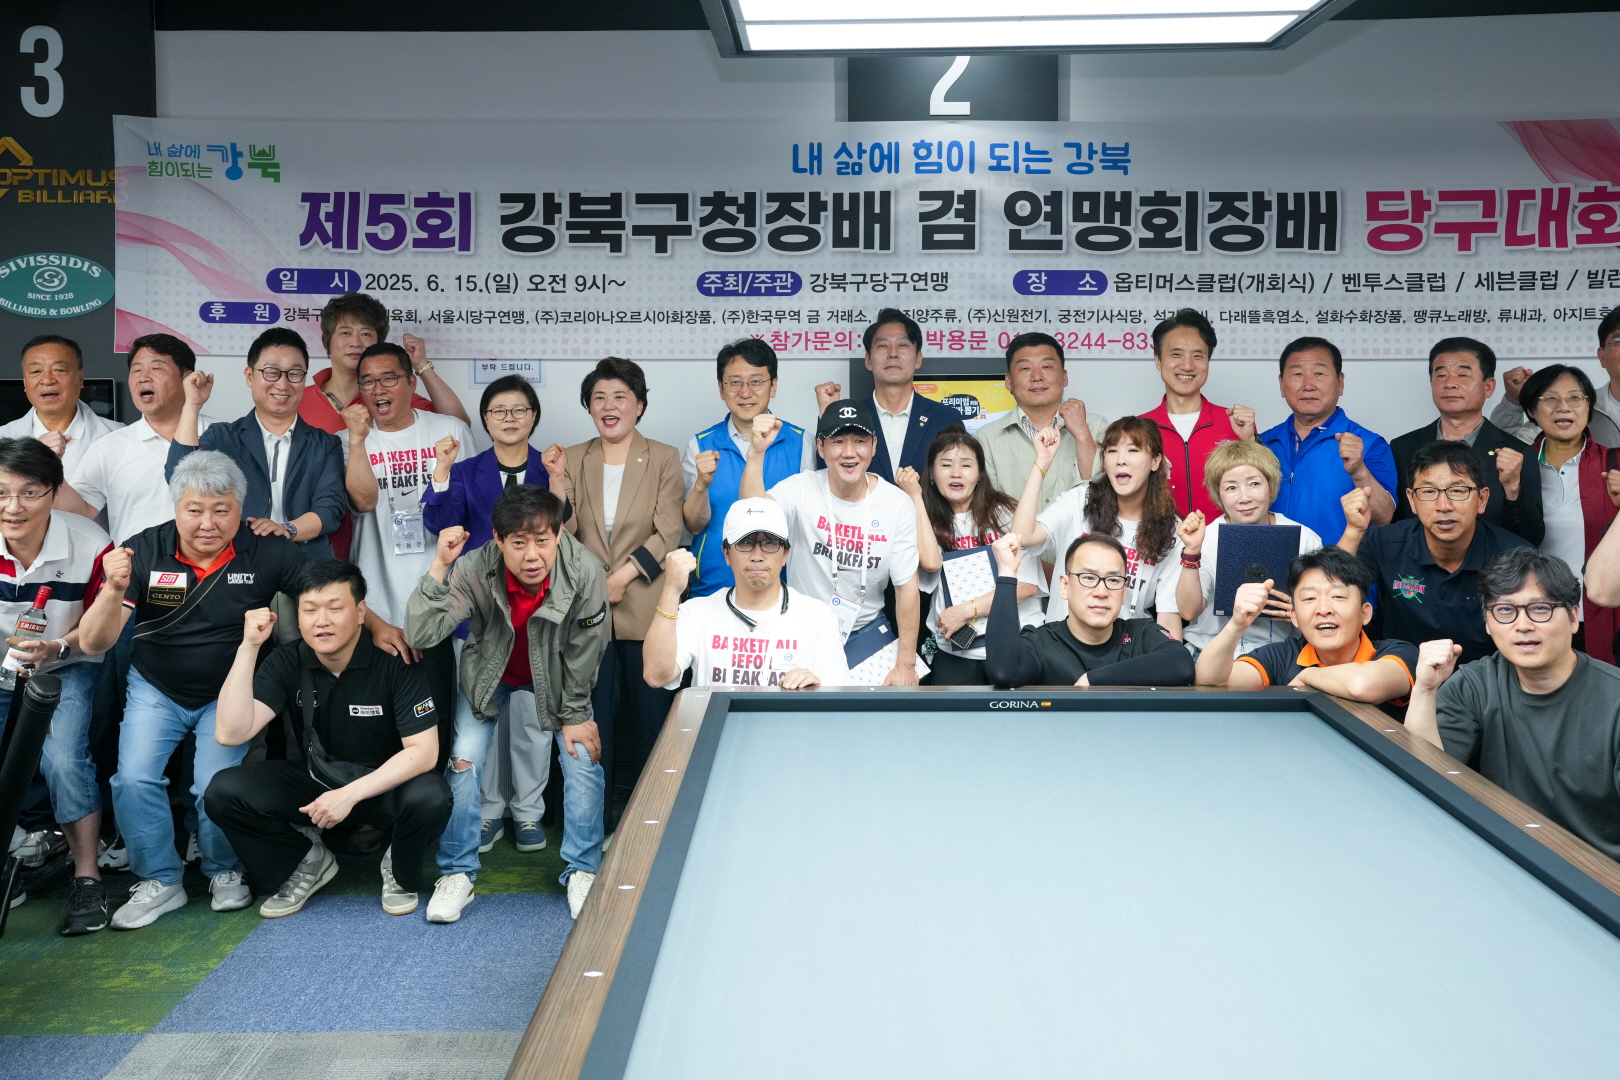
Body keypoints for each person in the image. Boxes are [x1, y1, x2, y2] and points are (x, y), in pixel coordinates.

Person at [78, 452, 412, 929]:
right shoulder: (143, 550)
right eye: (195, 510)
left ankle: (224, 870)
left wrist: (375, 626)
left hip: (231, 692)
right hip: (156, 687)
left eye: (222, 510)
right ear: (176, 507)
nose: (208, 523)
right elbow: (95, 643)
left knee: (212, 784)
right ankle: (161, 880)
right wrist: (113, 590)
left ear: (241, 509)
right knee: (132, 779)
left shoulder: (265, 549)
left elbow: (324, 589)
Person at [404, 485, 608, 922]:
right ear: (497, 539)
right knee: (463, 759)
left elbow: (586, 648)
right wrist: (439, 565)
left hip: (559, 678)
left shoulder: (586, 571)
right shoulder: (473, 567)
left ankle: (583, 869)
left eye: (542, 540)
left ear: (558, 534)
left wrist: (574, 714)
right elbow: (422, 634)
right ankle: (457, 873)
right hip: (490, 673)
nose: (532, 555)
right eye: (518, 543)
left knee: (582, 758)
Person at [204, 561, 449, 920]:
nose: (321, 621)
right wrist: (249, 647)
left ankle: (398, 868)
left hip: (386, 786)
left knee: (432, 795)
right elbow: (230, 733)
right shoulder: (287, 660)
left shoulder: (394, 660)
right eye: (310, 610)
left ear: (361, 613)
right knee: (223, 791)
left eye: (335, 608)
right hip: (317, 781)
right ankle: (306, 861)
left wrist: (348, 795)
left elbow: (425, 752)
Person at [1407, 548, 1620, 862]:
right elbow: (1424, 783)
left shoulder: (1614, 699)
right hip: (1504, 859)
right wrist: (1425, 690)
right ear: (1488, 623)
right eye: (1505, 610)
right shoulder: (1473, 685)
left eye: (1540, 609)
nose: (1523, 625)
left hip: (1600, 874)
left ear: (1573, 618)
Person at [554, 357, 683, 819]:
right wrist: (555, 479)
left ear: (639, 405)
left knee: (651, 721)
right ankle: (595, 819)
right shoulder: (572, 457)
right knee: (594, 721)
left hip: (645, 606)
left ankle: (654, 817)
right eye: (599, 398)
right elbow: (562, 530)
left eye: (620, 397)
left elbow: (668, 532)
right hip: (587, 610)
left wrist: (620, 578)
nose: (609, 406)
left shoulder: (664, 457)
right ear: (589, 406)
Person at [0, 438, 115, 935]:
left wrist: (56, 648)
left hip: (66, 663)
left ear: (53, 492)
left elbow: (101, 631)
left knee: (65, 760)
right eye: (1, 493)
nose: (13, 507)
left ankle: (87, 877)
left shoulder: (90, 543)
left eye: (29, 493)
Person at [341, 343, 473, 750]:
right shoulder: (346, 440)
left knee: (441, 721)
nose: (378, 388)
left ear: (411, 382)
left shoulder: (448, 431)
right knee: (381, 727)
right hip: (378, 605)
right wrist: (358, 440)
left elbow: (472, 509)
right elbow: (362, 502)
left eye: (389, 378)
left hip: (442, 605)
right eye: (367, 381)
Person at [741, 400, 922, 685]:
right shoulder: (801, 488)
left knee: (874, 713)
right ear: (821, 447)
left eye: (859, 441)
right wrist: (756, 453)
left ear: (874, 446)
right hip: (800, 630)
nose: (849, 452)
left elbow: (906, 588)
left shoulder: (896, 504)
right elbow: (753, 516)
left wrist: (905, 664)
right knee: (801, 711)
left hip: (867, 634)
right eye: (838, 441)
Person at [1337, 440, 1532, 665]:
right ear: (1412, 500)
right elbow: (1329, 591)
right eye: (1429, 491)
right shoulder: (1384, 542)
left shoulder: (1516, 558)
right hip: (1399, 675)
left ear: (1482, 499)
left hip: (1486, 680)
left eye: (1457, 491)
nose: (1443, 506)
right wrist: (1353, 531)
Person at [167, 327, 346, 559]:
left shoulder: (325, 445)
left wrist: (286, 529)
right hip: (237, 562)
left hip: (306, 564)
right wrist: (192, 405)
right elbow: (178, 477)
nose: (282, 384)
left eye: (294, 374)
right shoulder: (224, 437)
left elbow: (330, 510)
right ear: (250, 376)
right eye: (271, 372)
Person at [643, 498, 850, 691]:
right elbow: (656, 675)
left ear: (785, 554)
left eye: (769, 543)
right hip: (716, 719)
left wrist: (816, 686)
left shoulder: (817, 617)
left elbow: (838, 699)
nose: (757, 556)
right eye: (745, 543)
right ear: (726, 554)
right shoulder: (699, 612)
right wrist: (671, 591)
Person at [1194, 546, 1417, 718]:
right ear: (1294, 616)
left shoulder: (1399, 653)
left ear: (1365, 613)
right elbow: (1210, 682)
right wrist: (1236, 625)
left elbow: (1362, 685)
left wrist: (1307, 676)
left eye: (1338, 596)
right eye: (1309, 598)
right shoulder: (1280, 657)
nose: (1323, 609)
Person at [895, 430, 1042, 685]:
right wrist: (915, 497)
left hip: (1016, 644)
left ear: (979, 474)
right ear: (931, 474)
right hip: (955, 651)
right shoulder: (922, 519)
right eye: (945, 465)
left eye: (966, 465)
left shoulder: (1006, 513)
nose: (956, 473)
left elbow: (1027, 586)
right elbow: (930, 562)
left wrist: (966, 610)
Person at [1011, 416, 1182, 634]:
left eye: (1133, 450)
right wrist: (1042, 462)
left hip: (1125, 648)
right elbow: (1023, 536)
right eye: (1112, 451)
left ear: (1155, 462)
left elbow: (1168, 615)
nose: (1120, 460)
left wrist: (1170, 654)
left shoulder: (1171, 529)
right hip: (1061, 644)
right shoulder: (1080, 500)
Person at [1502, 364, 1620, 662]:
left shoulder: (1615, 464)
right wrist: (1512, 491)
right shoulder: (1515, 467)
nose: (1563, 407)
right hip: (1535, 615)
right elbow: (1501, 544)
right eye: (1551, 398)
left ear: (1589, 406)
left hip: (1605, 613)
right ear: (1532, 410)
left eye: (1575, 398)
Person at [1160, 439, 1322, 654]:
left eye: (1254, 484)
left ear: (1270, 485)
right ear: (1218, 494)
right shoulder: (1205, 537)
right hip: (1212, 651)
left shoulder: (1305, 538)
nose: (1244, 498)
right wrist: (1192, 552)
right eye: (1231, 487)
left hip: (1283, 654)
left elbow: (1324, 605)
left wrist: (1301, 608)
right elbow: (1189, 612)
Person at [59, 334, 222, 545]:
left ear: (189, 379)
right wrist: (49, 468)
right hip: (136, 564)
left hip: (216, 563)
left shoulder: (226, 437)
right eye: (136, 370)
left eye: (156, 368)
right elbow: (80, 513)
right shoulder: (109, 447)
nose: (143, 377)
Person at [683, 338, 811, 598]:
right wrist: (701, 485)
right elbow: (693, 526)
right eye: (734, 382)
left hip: (785, 588)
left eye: (756, 381)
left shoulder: (801, 442)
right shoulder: (700, 445)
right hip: (714, 586)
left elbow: (810, 522)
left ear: (773, 386)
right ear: (721, 389)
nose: (745, 392)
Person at [983, 533, 1195, 688]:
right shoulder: (1040, 642)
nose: (1101, 592)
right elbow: (1004, 671)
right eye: (1088, 578)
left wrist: (1094, 680)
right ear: (1065, 586)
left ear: (1124, 592)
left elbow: (1181, 664)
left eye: (1113, 580)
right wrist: (1007, 573)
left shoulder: (1142, 633)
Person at [1389, 337, 1542, 544]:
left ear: (1489, 387)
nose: (1450, 384)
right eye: (1441, 375)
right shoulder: (1402, 448)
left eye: (1463, 375)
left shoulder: (1517, 452)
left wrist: (1513, 490)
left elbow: (1532, 538)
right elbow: (1394, 527)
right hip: (1419, 563)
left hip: (1494, 564)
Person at [1258, 336, 1398, 542]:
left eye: (1319, 373)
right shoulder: (1263, 443)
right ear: (1281, 384)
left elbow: (1384, 517)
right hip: (1272, 560)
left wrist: (1358, 470)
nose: (1308, 385)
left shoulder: (1370, 444)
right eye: (1297, 374)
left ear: (1340, 383)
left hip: (1340, 561)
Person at [811, 308, 964, 483]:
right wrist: (828, 416)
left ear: (918, 358)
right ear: (868, 360)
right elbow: (825, 477)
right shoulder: (851, 417)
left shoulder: (945, 418)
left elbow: (959, 481)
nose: (893, 353)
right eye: (882, 346)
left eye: (903, 345)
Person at [1140, 309, 1257, 518]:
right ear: (1158, 360)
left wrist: (1249, 441)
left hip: (1225, 536)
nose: (1187, 365)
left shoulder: (1236, 423)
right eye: (1176, 354)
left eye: (1198, 356)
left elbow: (1260, 491)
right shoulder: (1139, 429)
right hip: (1160, 538)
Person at [423, 374, 560, 552]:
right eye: (499, 411)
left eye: (519, 410)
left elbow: (564, 528)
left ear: (534, 416)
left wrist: (556, 477)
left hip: (538, 567)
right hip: (480, 569)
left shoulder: (553, 468)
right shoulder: (464, 472)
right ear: (486, 419)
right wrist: (442, 471)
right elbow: (439, 525)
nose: (509, 418)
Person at [978, 332, 1109, 512]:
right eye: (1025, 368)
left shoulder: (1096, 426)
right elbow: (985, 509)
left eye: (1046, 366)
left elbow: (1103, 496)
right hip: (1013, 532)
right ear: (1008, 381)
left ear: (1064, 377)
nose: (1037, 377)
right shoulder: (987, 438)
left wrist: (1082, 435)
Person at [299, 292, 468, 430]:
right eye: (345, 333)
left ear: (378, 344)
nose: (355, 342)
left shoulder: (392, 395)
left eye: (366, 334)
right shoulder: (298, 399)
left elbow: (458, 425)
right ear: (327, 342)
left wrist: (421, 365)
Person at [0, 335, 122, 479]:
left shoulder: (119, 436)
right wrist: (32, 456)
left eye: (59, 369)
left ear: (81, 377)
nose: (47, 380)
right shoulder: (3, 438)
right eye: (35, 371)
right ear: (25, 382)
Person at [1494, 304, 1620, 439]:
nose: (1564, 407)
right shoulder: (1579, 405)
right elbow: (1507, 445)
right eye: (1619, 340)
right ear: (1602, 356)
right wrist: (1513, 402)